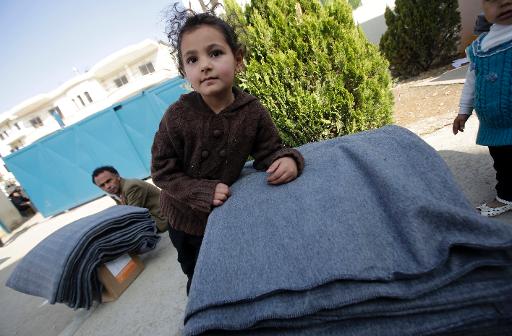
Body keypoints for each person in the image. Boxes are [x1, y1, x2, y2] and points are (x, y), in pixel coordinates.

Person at [151, 10, 305, 294]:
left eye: (215, 53)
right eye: (193, 59)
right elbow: (162, 171)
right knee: (199, 276)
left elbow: (269, 150)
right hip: (183, 218)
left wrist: (286, 159)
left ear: (238, 59)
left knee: (234, 269)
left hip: (225, 216)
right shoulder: (177, 116)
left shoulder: (253, 112)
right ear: (185, 72)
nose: (205, 66)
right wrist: (200, 191)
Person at [452, 0, 512, 217]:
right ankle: (506, 196)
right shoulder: (480, 47)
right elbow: (471, 82)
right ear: (484, 9)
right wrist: (463, 111)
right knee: (503, 163)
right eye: (494, 0)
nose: (505, 3)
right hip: (493, 123)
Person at [91, 166, 168, 232]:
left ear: (117, 176)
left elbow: (132, 215)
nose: (107, 186)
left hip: (162, 221)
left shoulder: (131, 186)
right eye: (102, 185)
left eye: (108, 181)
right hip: (153, 220)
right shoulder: (115, 192)